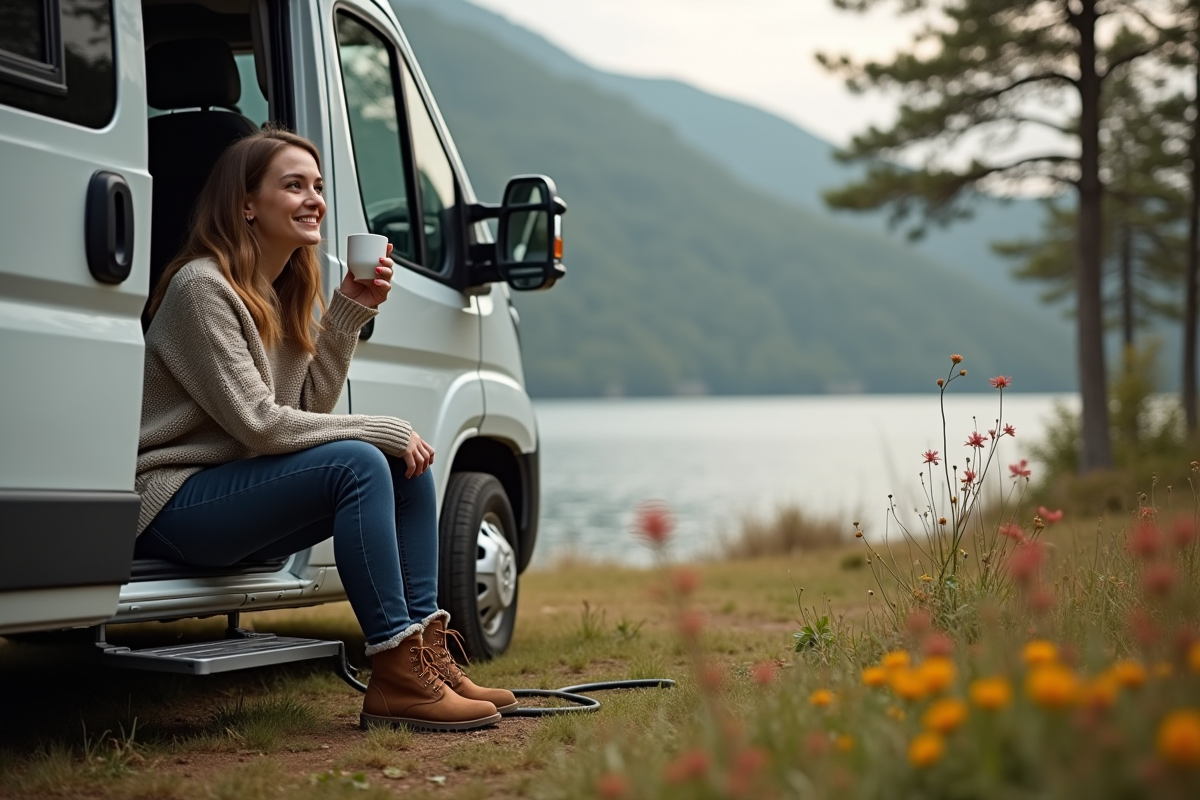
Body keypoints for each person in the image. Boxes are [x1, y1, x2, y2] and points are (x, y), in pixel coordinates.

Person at [135, 127, 516, 732]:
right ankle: (394, 669)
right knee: (364, 457)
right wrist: (379, 429)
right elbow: (263, 425)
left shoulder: (281, 292)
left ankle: (426, 659)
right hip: (175, 505)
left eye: (317, 186)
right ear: (245, 204)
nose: (315, 198)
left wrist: (346, 314)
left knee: (398, 463)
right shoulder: (202, 288)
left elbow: (305, 408)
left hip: (236, 495)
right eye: (294, 186)